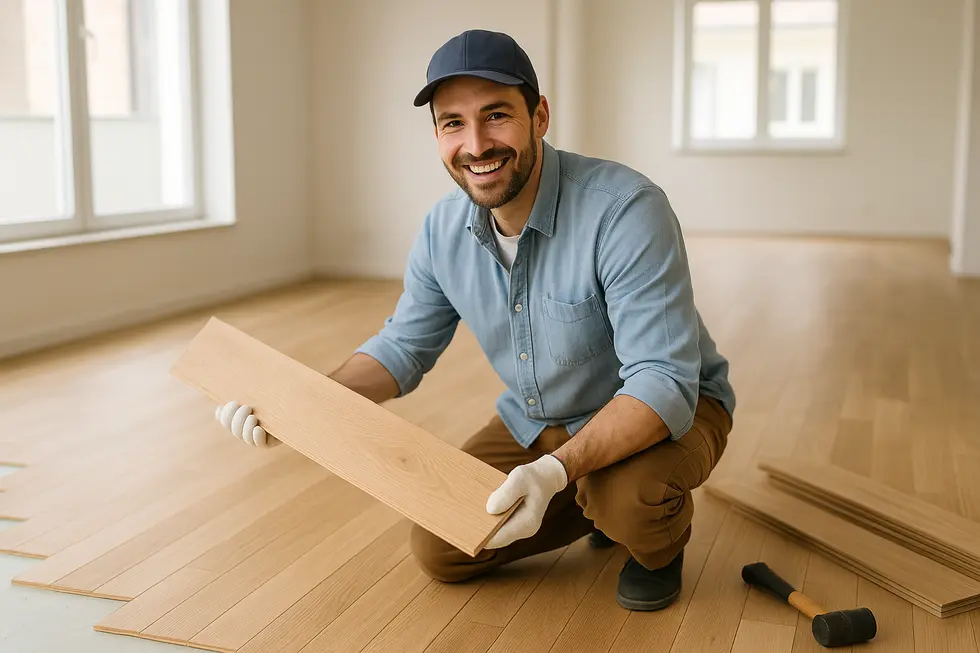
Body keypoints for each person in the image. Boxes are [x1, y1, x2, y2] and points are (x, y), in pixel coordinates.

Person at [213, 29, 735, 612]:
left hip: (668, 409)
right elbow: (401, 348)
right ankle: (591, 496)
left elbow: (661, 383)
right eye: (452, 123)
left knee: (632, 502)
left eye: (496, 115)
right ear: (437, 134)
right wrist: (303, 404)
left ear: (539, 116)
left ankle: (648, 539)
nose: (476, 143)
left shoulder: (625, 210)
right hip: (539, 420)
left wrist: (554, 473)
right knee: (442, 547)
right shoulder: (443, 230)